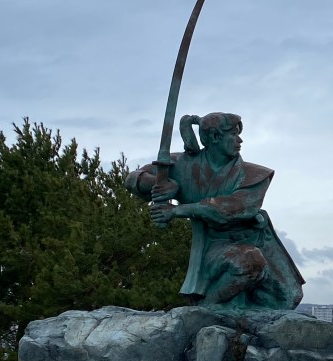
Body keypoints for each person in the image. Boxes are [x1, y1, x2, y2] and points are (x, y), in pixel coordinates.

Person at [126, 112, 304, 308]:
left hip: (255, 239)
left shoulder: (253, 174)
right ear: (214, 137)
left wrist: (177, 210)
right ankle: (209, 307)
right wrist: (158, 184)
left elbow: (236, 206)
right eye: (233, 134)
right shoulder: (184, 165)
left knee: (288, 296)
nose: (240, 140)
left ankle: (225, 306)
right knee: (249, 262)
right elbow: (133, 178)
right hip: (213, 246)